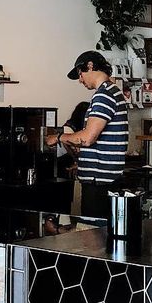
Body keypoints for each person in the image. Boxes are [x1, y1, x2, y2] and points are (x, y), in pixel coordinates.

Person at [47, 50, 128, 219]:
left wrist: (59, 137)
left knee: (93, 237)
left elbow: (87, 138)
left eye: (80, 73)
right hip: (105, 179)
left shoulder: (104, 95)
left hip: (99, 182)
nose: (80, 80)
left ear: (90, 66)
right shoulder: (112, 91)